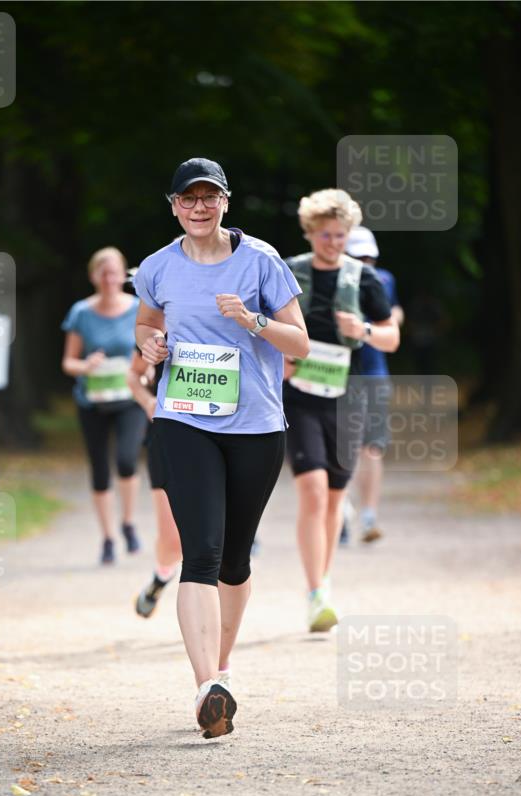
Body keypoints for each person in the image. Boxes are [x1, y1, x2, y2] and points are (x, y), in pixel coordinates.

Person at [134, 157, 308, 739]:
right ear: (175, 205)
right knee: (200, 553)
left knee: (235, 560)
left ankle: (224, 669)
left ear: (226, 202)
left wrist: (254, 320)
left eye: (210, 197)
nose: (199, 207)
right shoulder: (158, 266)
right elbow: (146, 326)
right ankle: (208, 686)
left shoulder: (261, 261)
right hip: (183, 419)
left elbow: (301, 345)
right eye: (189, 199)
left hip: (256, 425)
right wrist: (151, 346)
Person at [284, 190, 400, 631]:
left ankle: (323, 583)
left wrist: (365, 329)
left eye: (340, 235)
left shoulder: (364, 280)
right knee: (311, 489)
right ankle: (316, 591)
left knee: (334, 496)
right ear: (311, 232)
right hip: (298, 396)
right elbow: (264, 331)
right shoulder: (289, 274)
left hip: (348, 395)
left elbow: (391, 337)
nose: (333, 243)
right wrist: (284, 359)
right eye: (325, 234)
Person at [62, 247, 148, 564]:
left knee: (126, 460)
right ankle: (108, 538)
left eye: (115, 272)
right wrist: (85, 366)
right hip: (92, 401)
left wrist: (143, 368)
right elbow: (68, 362)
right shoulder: (81, 312)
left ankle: (128, 523)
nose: (110, 278)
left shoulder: (140, 308)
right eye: (103, 272)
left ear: (123, 275)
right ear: (93, 276)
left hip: (129, 398)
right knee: (99, 469)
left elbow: (151, 350)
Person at [344, 226, 404, 543]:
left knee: (373, 447)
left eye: (369, 256)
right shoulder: (336, 281)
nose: (365, 262)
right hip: (342, 374)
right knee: (346, 447)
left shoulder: (385, 280)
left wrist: (385, 321)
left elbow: (394, 315)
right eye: (358, 256)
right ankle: (342, 511)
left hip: (375, 372)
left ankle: (369, 516)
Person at [127, 350, 182, 617]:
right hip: (168, 434)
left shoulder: (240, 313)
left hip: (228, 432)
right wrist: (148, 401)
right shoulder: (163, 318)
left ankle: (210, 625)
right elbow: (134, 374)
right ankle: (162, 576)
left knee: (220, 541)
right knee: (173, 543)